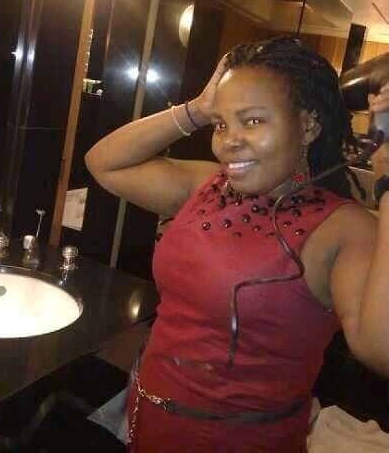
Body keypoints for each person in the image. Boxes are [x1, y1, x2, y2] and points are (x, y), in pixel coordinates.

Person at [85, 36, 389, 452]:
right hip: (145, 419)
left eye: (253, 121)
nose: (228, 140)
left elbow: (380, 349)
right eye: (221, 124)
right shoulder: (206, 186)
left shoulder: (343, 227)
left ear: (309, 126)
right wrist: (198, 109)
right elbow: (103, 162)